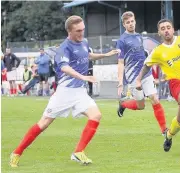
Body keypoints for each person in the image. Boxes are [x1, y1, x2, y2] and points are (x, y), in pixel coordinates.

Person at [10, 15, 120, 167]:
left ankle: (78, 152)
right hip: (64, 92)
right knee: (44, 123)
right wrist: (83, 76)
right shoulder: (64, 48)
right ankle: (17, 152)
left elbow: (87, 55)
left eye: (83, 30)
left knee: (96, 115)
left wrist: (105, 55)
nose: (82, 33)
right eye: (78, 31)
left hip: (79, 92)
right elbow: (64, 67)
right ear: (69, 31)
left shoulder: (84, 42)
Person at [136, 19, 180, 152]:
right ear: (159, 32)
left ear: (173, 29)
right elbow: (146, 65)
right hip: (176, 83)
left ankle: (168, 136)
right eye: (162, 28)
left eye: (168, 27)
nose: (166, 30)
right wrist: (139, 80)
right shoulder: (158, 51)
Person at [116, 11, 167, 135]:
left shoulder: (139, 36)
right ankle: (124, 104)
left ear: (135, 21)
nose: (131, 24)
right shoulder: (121, 41)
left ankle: (164, 130)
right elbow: (121, 62)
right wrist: (120, 83)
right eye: (128, 22)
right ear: (124, 24)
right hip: (133, 77)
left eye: (132, 21)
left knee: (154, 98)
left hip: (145, 74)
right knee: (141, 105)